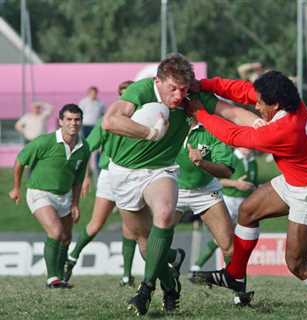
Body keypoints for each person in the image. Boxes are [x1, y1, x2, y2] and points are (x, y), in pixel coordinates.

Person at [102, 53, 261, 316]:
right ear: (158, 81)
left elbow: (231, 112)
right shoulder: (140, 90)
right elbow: (110, 121)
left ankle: (145, 290)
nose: (178, 95)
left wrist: (264, 125)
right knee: (145, 245)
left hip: (162, 171)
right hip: (124, 173)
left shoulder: (192, 99)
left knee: (163, 216)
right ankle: (171, 279)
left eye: (184, 89)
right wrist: (150, 133)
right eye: (172, 88)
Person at [190, 71, 307, 316]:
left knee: (296, 264)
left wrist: (199, 113)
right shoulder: (292, 102)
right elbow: (244, 90)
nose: (255, 105)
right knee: (247, 211)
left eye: (260, 103)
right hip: (295, 180)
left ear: (276, 104)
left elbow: (233, 136)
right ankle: (235, 276)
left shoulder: (283, 130)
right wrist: (204, 84)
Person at [63, 80, 151, 287]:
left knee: (132, 229)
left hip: (136, 176)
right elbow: (88, 148)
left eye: (129, 93)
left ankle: (127, 275)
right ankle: (72, 257)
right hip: (110, 174)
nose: (126, 97)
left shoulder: (146, 120)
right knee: (96, 224)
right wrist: (85, 177)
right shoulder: (108, 119)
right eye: (122, 94)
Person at [9, 104, 90, 288]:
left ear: (81, 122)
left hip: (65, 196)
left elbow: (78, 179)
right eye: (68, 119)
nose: (73, 123)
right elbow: (20, 161)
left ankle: (60, 277)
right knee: (55, 232)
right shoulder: (44, 142)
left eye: (77, 119)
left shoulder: (84, 147)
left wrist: (75, 204)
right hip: (39, 192)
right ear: (60, 121)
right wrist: (15, 188)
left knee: (67, 237)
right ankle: (52, 278)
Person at [174, 118, 234, 274]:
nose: (181, 96)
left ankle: (238, 289)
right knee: (151, 243)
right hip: (172, 188)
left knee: (229, 246)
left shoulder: (214, 128)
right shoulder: (166, 121)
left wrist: (202, 163)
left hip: (207, 190)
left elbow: (226, 171)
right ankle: (171, 264)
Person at [191, 147, 258, 272]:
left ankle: (228, 270)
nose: (248, 147)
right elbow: (217, 180)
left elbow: (254, 183)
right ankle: (199, 266)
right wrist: (236, 184)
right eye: (245, 144)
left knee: (233, 239)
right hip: (228, 200)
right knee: (224, 237)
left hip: (244, 204)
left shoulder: (252, 161)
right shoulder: (231, 157)